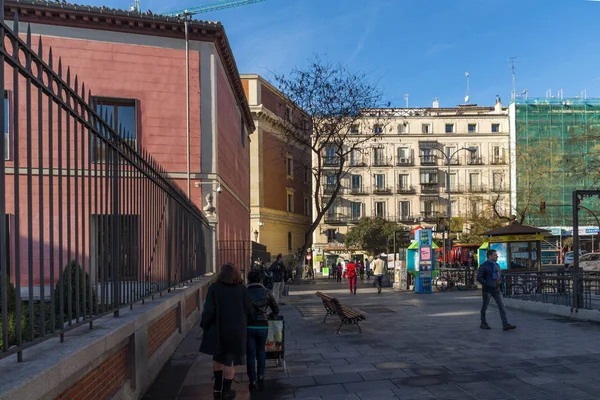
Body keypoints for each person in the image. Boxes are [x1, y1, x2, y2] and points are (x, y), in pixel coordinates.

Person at [199, 263, 253, 400]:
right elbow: (249, 309)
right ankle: (227, 389)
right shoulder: (242, 290)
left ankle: (217, 387)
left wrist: (204, 324)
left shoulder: (214, 289)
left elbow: (208, 311)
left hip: (218, 330)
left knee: (217, 357)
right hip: (236, 331)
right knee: (230, 360)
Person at [246, 269, 279, 392]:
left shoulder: (244, 292)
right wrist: (270, 316)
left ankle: (252, 380)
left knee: (250, 354)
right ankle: (260, 375)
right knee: (261, 351)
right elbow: (276, 308)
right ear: (260, 279)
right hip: (263, 325)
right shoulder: (267, 292)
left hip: (248, 326)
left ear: (249, 279)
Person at [477, 249, 517, 331]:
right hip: (487, 289)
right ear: (489, 256)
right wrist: (486, 284)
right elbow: (479, 277)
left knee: (502, 306)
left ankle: (505, 324)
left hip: (496, 289)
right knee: (485, 306)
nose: (497, 256)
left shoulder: (496, 265)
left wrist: (500, 286)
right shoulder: (484, 265)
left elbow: (499, 276)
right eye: (495, 255)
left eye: (497, 255)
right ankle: (483, 323)